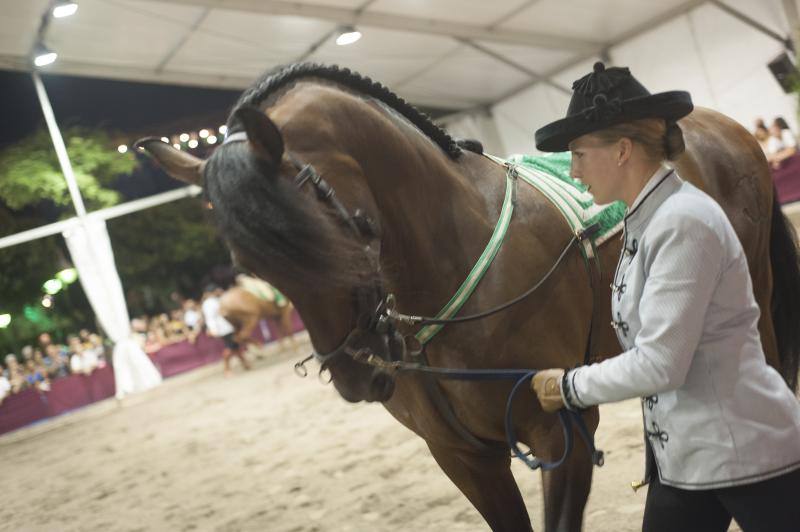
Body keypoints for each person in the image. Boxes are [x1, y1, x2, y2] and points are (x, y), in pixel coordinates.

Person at [531, 62, 800, 531]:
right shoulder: (648, 222)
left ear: (621, 150)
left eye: (577, 153)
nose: (572, 170)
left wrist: (567, 387)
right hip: (685, 458)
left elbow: (660, 364)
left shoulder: (683, 222)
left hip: (745, 453)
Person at [201, 285, 250, 377]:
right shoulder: (209, 303)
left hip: (227, 326)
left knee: (236, 347)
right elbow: (210, 318)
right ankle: (227, 370)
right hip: (224, 329)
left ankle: (245, 364)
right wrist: (213, 329)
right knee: (230, 348)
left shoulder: (216, 300)